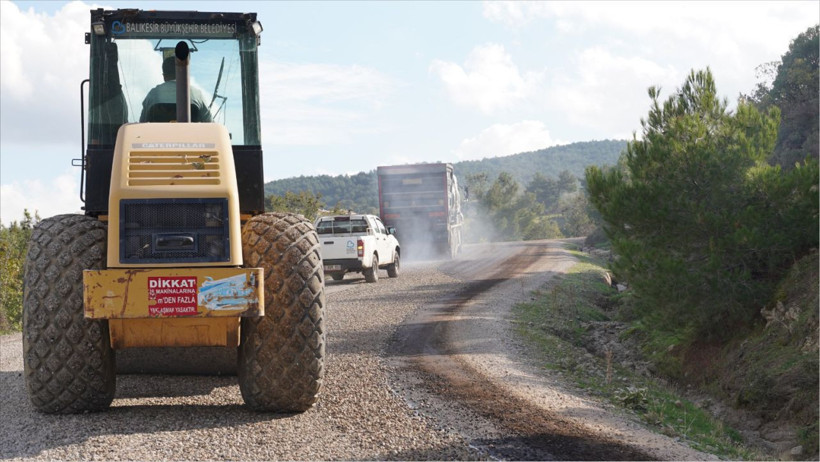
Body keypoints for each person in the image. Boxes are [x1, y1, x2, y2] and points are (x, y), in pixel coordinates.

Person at [139, 56, 213, 122]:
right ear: (183, 73)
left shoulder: (153, 94)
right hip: (190, 137)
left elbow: (141, 125)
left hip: (157, 137)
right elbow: (210, 124)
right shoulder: (197, 94)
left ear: (164, 76)